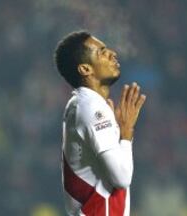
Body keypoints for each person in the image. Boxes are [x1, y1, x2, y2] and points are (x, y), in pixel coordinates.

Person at [54, 31, 146, 216]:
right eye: (101, 52)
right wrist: (126, 134)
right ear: (85, 69)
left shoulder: (82, 104)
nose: (112, 53)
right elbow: (121, 177)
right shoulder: (92, 109)